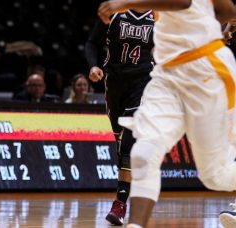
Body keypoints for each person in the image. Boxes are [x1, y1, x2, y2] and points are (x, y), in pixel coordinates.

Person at [98, 0, 236, 228]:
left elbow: (184, 2)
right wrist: (212, 26)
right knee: (143, 152)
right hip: (166, 73)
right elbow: (227, 12)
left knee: (215, 176)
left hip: (205, 70)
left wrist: (123, 3)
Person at [86, 6, 155, 225]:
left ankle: (120, 202)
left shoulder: (158, 15)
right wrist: (93, 65)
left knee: (127, 142)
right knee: (120, 144)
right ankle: (128, 189)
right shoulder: (114, 11)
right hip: (114, 84)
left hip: (143, 82)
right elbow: (91, 43)